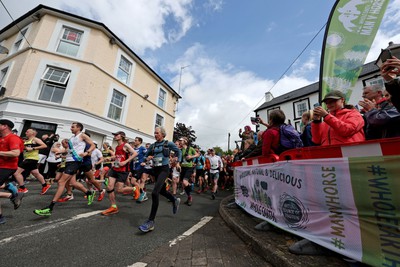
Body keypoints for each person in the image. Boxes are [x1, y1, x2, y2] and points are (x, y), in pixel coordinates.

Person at [33, 122, 97, 216]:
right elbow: (69, 150)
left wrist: (87, 152)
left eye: (73, 127)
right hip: (68, 161)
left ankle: (50, 208)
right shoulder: (71, 138)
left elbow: (93, 145)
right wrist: (60, 152)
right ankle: (89, 193)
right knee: (73, 182)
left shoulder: (82, 135)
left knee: (61, 182)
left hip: (75, 161)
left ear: (78, 128)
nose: (71, 128)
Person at [138, 126, 182, 233]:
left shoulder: (168, 144)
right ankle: (174, 200)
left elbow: (179, 152)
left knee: (154, 193)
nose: (155, 134)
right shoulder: (152, 146)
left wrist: (178, 161)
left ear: (162, 134)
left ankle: (151, 221)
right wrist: (146, 159)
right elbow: (145, 156)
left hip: (164, 169)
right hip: (156, 169)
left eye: (157, 133)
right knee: (162, 191)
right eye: (154, 133)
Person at [101, 131, 139, 215]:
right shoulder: (117, 146)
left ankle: (135, 188)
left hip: (123, 170)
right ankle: (113, 207)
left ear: (121, 136)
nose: (115, 136)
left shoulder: (126, 145)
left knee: (119, 190)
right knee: (109, 187)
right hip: (115, 168)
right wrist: (110, 158)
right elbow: (117, 156)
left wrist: (125, 161)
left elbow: (135, 153)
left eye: (116, 135)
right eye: (114, 135)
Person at [0, 119, 24, 224]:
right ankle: (10, 191)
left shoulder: (13, 138)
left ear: (5, 126)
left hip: (7, 167)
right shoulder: (2, 138)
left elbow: (16, 153)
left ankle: (0, 217)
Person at [13, 128, 51, 194]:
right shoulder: (27, 141)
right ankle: (45, 185)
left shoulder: (35, 139)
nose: (25, 133)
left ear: (32, 133)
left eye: (27, 131)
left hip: (32, 158)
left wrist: (33, 148)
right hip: (29, 158)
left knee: (16, 173)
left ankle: (22, 188)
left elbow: (44, 146)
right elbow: (25, 149)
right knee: (35, 173)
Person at [178, 137, 199, 206]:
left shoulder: (190, 148)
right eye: (179, 141)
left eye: (181, 140)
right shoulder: (180, 150)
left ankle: (190, 197)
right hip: (182, 168)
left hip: (189, 167)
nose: (180, 142)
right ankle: (189, 195)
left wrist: (191, 157)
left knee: (184, 181)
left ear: (185, 141)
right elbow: (178, 159)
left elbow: (197, 154)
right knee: (183, 183)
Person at [129, 137, 148, 203]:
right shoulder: (133, 149)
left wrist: (144, 162)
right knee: (138, 181)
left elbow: (148, 155)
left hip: (139, 167)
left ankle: (142, 193)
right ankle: (139, 194)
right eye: (134, 140)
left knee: (133, 181)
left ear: (140, 142)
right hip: (133, 167)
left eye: (136, 140)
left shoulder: (142, 148)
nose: (135, 141)